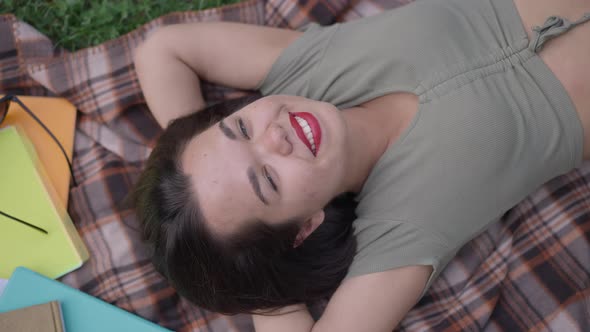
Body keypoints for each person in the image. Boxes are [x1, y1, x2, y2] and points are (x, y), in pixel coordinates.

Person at [131, 0, 590, 330]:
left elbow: (163, 49)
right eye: (267, 180)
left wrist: (190, 147)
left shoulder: (304, 71)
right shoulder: (399, 233)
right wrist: (273, 300)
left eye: (238, 129)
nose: (276, 134)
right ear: (302, 229)